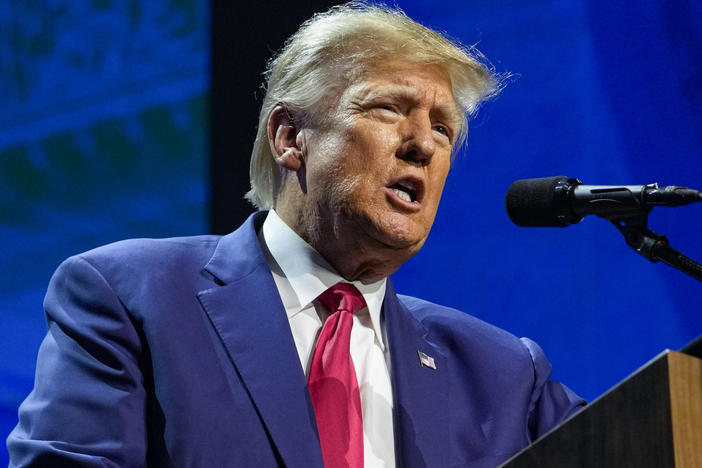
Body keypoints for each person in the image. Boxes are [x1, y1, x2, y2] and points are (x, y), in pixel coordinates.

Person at [8, 2, 585, 467]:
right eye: (389, 109)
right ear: (289, 137)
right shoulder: (131, 295)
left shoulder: (502, 373)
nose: (424, 144)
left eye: (443, 128)